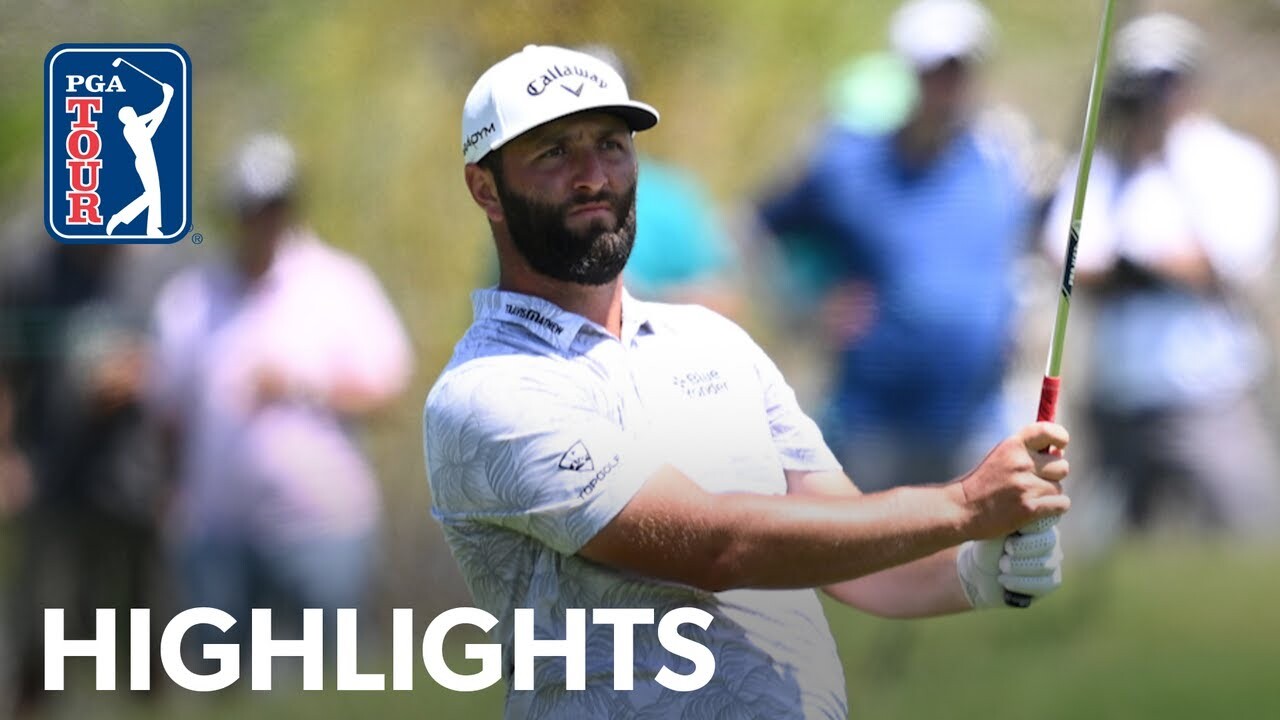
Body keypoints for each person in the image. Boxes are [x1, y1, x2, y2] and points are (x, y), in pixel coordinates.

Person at [425, 44, 1070, 719]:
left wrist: (977, 568)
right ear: (485, 187)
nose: (593, 176)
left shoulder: (713, 341)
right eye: (554, 152)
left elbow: (848, 547)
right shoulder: (487, 392)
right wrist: (963, 505)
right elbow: (717, 548)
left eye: (610, 145)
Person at [148, 133, 414, 661]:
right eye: (249, 208)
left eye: (272, 206)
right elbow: (168, 413)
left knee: (333, 680)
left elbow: (387, 389)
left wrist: (301, 387)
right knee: (222, 683)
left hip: (322, 526)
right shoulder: (190, 299)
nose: (261, 220)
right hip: (216, 531)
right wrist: (172, 496)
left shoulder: (338, 284)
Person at [757, 0, 1033, 493]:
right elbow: (757, 226)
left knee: (983, 546)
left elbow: (1028, 253)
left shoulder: (1004, 161)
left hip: (977, 423)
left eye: (961, 70)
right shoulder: (849, 167)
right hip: (876, 426)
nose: (949, 85)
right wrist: (806, 308)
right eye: (935, 71)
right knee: (865, 542)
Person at [1042, 13, 1280, 536]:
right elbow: (1067, 258)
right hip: (1118, 392)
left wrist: (1136, 263)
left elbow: (1228, 261)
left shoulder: (1232, 161)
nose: (1155, 97)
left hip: (1209, 387)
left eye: (1166, 81)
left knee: (1252, 532)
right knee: (1095, 538)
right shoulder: (1100, 168)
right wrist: (1142, 265)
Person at [0, 242, 167, 716]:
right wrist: (5, 457)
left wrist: (140, 373)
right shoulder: (31, 267)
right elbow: (6, 368)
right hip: (52, 484)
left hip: (139, 486)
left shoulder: (164, 271)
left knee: (145, 646)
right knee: (41, 641)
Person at [106, 81, 175, 237]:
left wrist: (167, 99)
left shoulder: (137, 124)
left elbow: (154, 118)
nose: (134, 112)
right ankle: (122, 217)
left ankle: (150, 227)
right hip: (144, 161)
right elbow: (154, 120)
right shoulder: (131, 128)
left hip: (148, 159)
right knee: (151, 194)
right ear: (126, 117)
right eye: (130, 112)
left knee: (153, 194)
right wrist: (167, 98)